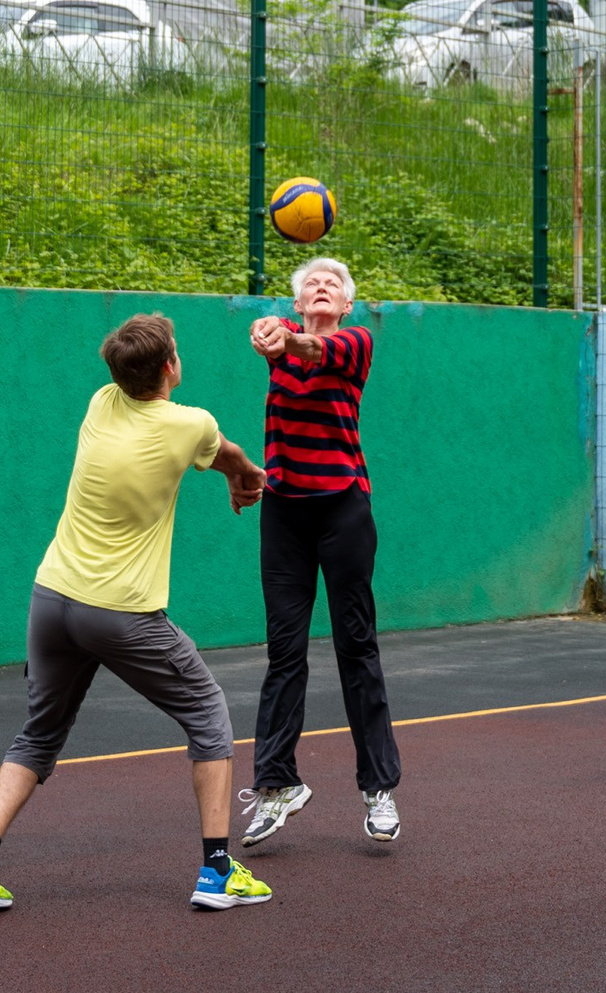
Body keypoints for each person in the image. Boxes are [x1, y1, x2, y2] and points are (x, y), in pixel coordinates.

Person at [0, 312, 274, 915]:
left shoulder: (102, 402)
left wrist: (236, 471)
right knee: (208, 713)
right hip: (122, 613)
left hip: (51, 600)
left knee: (39, 734)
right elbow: (227, 454)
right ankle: (216, 871)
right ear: (171, 366)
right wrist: (246, 477)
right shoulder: (191, 425)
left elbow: (214, 450)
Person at [240, 257, 403, 850]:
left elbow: (310, 352)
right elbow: (270, 338)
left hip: (344, 509)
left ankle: (379, 788)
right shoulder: (280, 336)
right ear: (298, 302)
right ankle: (276, 785)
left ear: (347, 306)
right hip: (284, 512)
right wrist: (264, 334)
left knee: (356, 646)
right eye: (312, 283)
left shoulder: (354, 344)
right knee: (284, 653)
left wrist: (283, 339)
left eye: (333, 284)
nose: (322, 287)